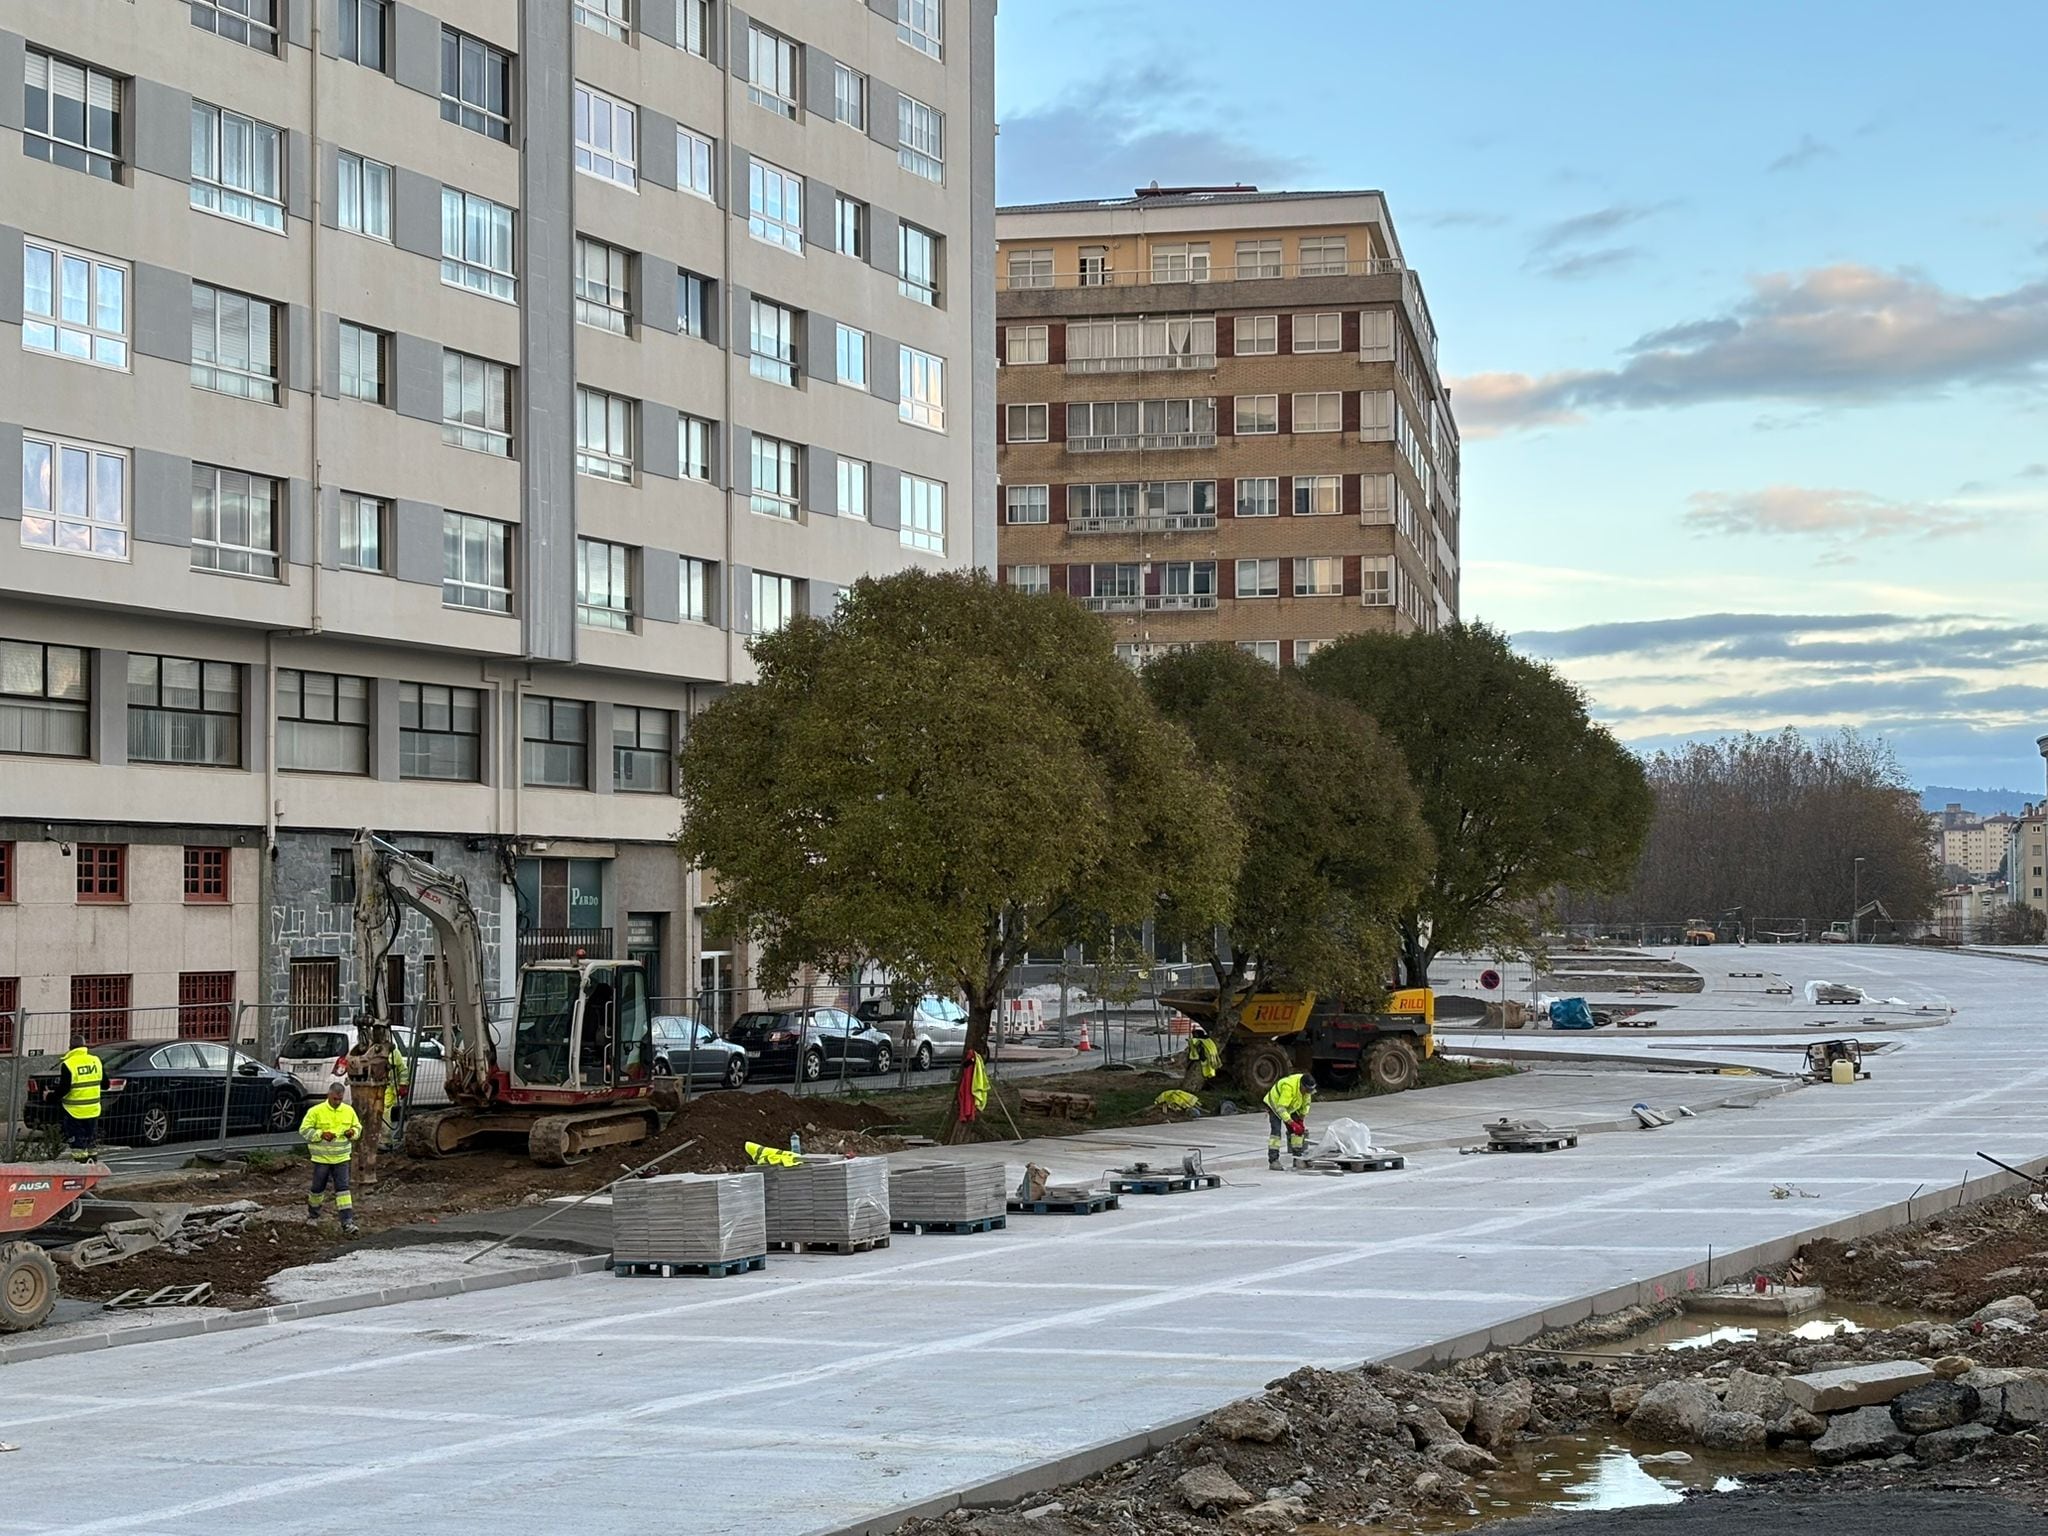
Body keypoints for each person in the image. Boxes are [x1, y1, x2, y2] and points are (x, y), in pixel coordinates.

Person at [300, 1079, 362, 1231]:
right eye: (335, 1099)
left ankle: (347, 1222)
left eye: (340, 1099)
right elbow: (304, 1130)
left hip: (341, 1158)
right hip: (322, 1159)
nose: (338, 1102)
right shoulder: (316, 1111)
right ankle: (313, 1215)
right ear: (329, 1095)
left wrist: (352, 1133)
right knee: (317, 1188)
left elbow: (357, 1128)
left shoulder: (348, 1111)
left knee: (343, 1189)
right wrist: (321, 1134)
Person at [55, 1039, 104, 1160]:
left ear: (70, 1047)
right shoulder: (95, 1061)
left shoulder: (68, 1064)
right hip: (93, 1110)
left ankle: (81, 1168)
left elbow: (64, 1089)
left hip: (74, 1111)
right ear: (84, 1045)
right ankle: (92, 1168)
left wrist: (50, 1096)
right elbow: (106, 1084)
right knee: (91, 1143)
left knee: (78, 1146)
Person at [1263, 1069, 1315, 1169]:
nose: (1308, 1093)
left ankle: (1297, 1158)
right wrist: (1292, 1123)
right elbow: (1281, 1108)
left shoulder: (1307, 1089)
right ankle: (1273, 1161)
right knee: (1276, 1133)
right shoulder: (1288, 1087)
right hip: (1275, 1105)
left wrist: (1301, 1120)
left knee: (1297, 1133)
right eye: (1307, 1091)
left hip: (1290, 1105)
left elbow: (1306, 1104)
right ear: (1302, 1086)